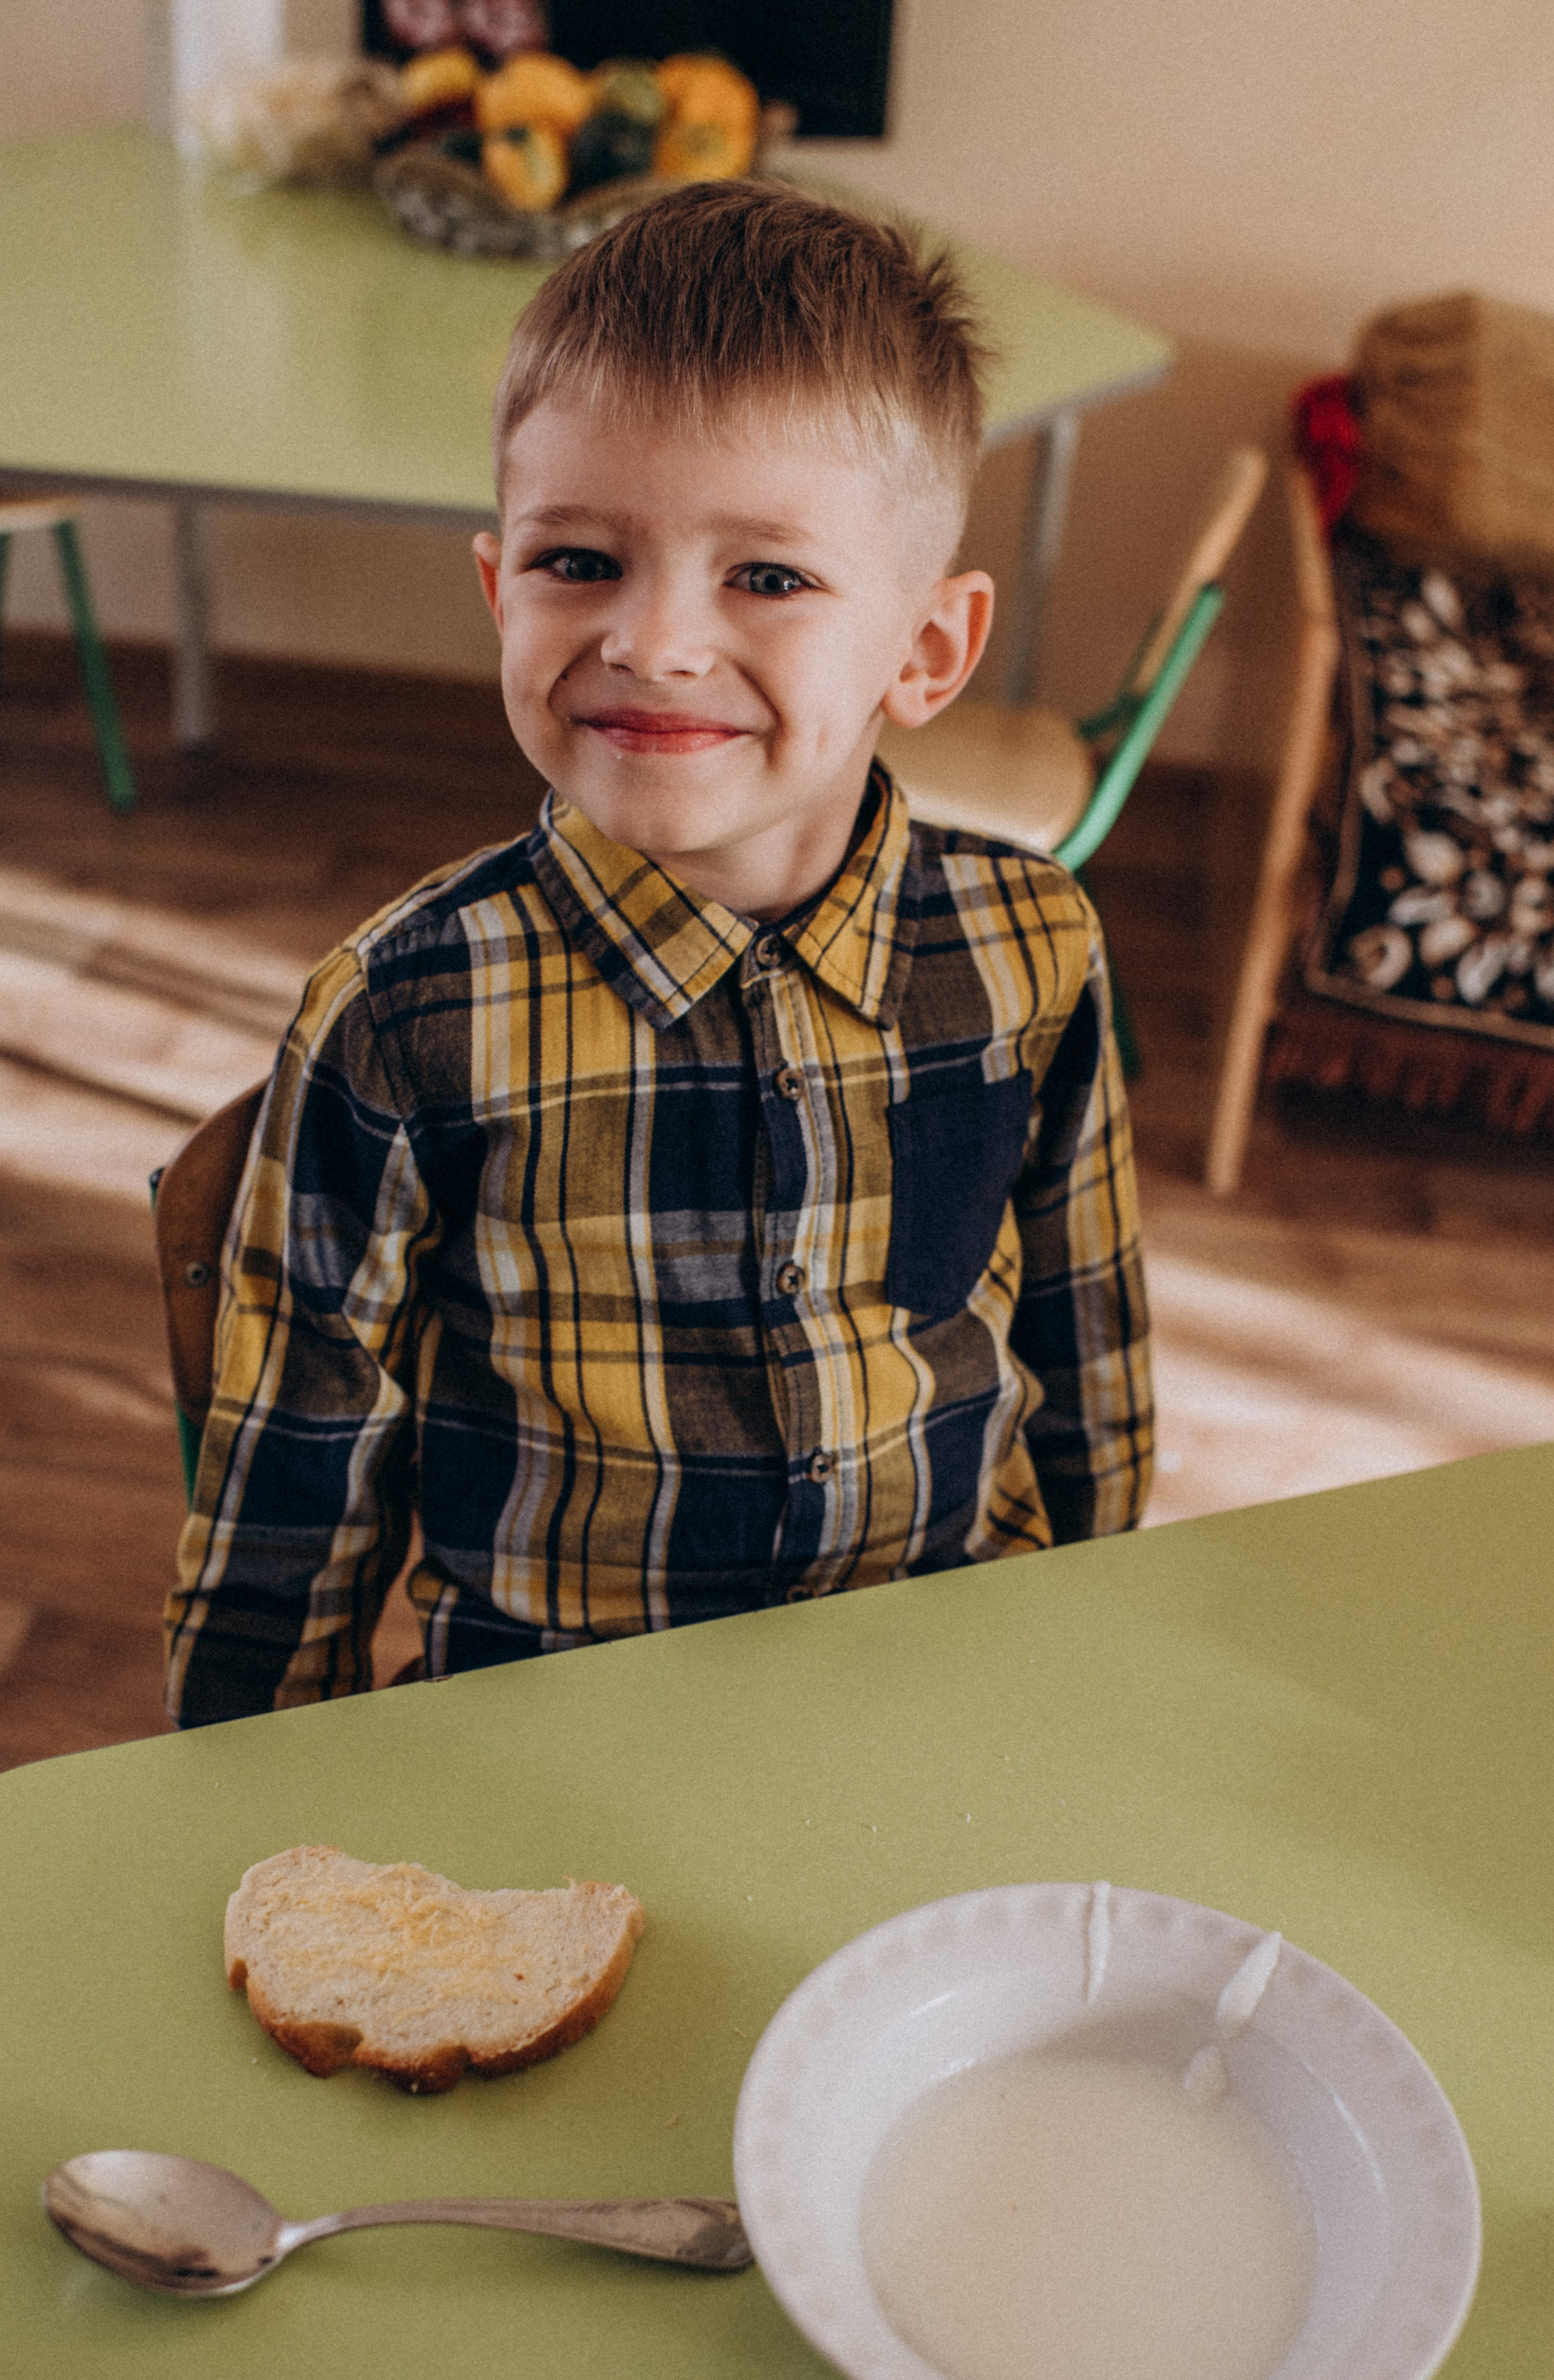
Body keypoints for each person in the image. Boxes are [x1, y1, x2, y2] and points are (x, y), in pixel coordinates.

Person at [166, 181, 1151, 1725]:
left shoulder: (1035, 947)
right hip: (547, 1729)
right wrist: (226, 1795)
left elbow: (1082, 1352)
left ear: (925, 652)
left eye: (764, 576)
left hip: (945, 1697)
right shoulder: (406, 1011)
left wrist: (1094, 1660)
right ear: (499, 587)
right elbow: (294, 1487)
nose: (654, 642)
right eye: (580, 562)